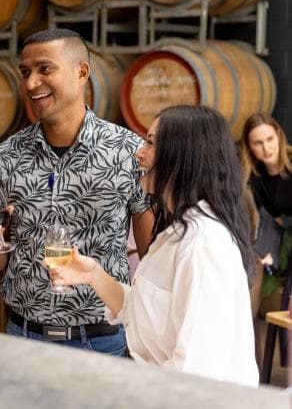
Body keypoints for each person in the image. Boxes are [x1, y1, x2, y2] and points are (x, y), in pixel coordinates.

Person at [0, 28, 153, 355]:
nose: (30, 84)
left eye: (45, 69)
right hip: (24, 337)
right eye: (25, 73)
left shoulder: (129, 152)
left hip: (105, 341)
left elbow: (151, 257)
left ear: (81, 72)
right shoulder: (4, 158)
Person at [49, 105, 258, 387]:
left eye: (151, 142)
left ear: (183, 155)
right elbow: (140, 309)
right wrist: (92, 274)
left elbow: (197, 370)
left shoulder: (203, 244)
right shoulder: (177, 229)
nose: (140, 152)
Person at [240, 112, 292, 366]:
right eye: (257, 143)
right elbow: (268, 221)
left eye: (270, 139)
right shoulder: (255, 178)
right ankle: (252, 367)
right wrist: (265, 249)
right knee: (251, 270)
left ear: (279, 136)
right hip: (279, 243)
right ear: (249, 146)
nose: (266, 148)